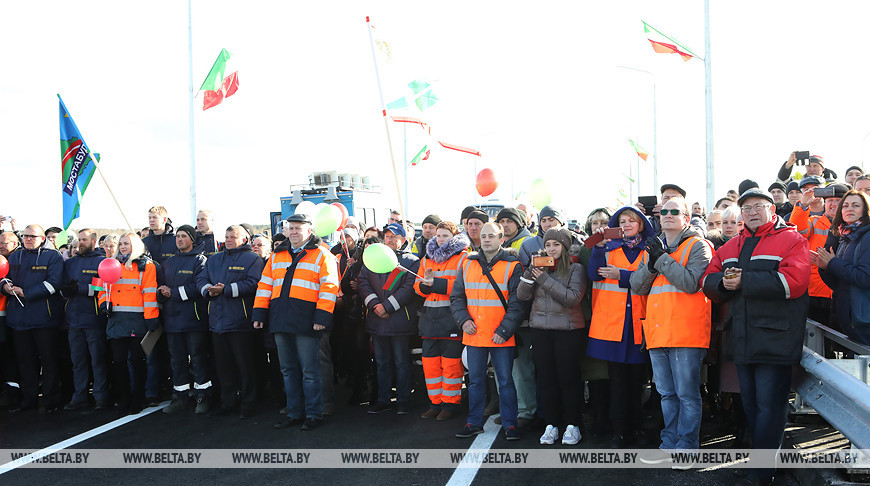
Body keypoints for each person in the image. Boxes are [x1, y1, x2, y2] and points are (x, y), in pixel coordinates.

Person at [702, 188, 810, 485]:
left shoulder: (792, 239)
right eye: (746, 208)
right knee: (751, 406)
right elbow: (707, 280)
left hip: (775, 340)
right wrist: (723, 283)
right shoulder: (729, 246)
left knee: (769, 408)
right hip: (742, 339)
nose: (751, 212)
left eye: (758, 206)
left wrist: (743, 281)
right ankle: (761, 466)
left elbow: (795, 283)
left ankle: (762, 473)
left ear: (771, 210)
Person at [631, 197, 713, 466]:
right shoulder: (654, 248)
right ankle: (669, 443)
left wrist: (661, 260)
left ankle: (687, 446)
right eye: (663, 211)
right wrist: (655, 262)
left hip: (686, 334)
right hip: (658, 333)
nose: (667, 215)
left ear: (686, 218)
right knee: (667, 394)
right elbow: (636, 286)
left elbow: (691, 283)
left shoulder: (698, 246)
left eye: (674, 211)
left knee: (687, 394)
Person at [254, 214, 338, 431]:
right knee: (288, 370)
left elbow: (329, 289)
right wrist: (259, 314)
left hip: (307, 322)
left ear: (309, 231)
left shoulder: (322, 255)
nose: (293, 232)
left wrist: (321, 318)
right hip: (281, 320)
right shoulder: (276, 256)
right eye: (290, 228)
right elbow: (265, 286)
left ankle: (313, 414)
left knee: (310, 372)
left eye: (298, 228)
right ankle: (294, 413)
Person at [587, 206, 654, 447]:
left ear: (641, 225)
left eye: (631, 221)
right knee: (616, 384)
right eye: (622, 221)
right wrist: (598, 245)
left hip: (640, 326)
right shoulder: (607, 248)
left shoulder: (650, 250)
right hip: (613, 327)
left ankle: (635, 428)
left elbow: (651, 279)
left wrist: (621, 275)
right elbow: (594, 274)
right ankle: (620, 432)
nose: (626, 224)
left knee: (637, 384)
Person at [451, 222, 525, 441]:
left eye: (491, 236)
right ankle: (473, 422)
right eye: (483, 236)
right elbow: (456, 297)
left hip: (501, 334)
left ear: (501, 239)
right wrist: (463, 320)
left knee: (505, 381)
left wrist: (504, 330)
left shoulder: (514, 265)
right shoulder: (467, 264)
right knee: (475, 381)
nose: (486, 240)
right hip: (474, 333)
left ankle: (510, 424)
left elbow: (518, 303)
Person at [517, 228, 587, 446]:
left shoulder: (576, 268)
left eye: (556, 245)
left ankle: (573, 424)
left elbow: (572, 298)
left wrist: (544, 279)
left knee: (568, 379)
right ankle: (551, 424)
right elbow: (522, 295)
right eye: (548, 245)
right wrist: (530, 273)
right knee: (546, 380)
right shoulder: (538, 267)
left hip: (568, 331)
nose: (551, 249)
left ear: (564, 247)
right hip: (540, 330)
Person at [198, 225, 264, 419]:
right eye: (226, 236)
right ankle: (228, 403)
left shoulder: (253, 259)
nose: (228, 239)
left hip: (240, 323)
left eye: (233, 237)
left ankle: (248, 404)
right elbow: (201, 279)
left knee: (245, 367)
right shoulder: (214, 259)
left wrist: (226, 289)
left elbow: (254, 283)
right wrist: (208, 289)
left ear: (244, 239)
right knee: (224, 367)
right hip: (217, 322)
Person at [358, 223, 420, 415]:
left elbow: (409, 288)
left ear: (404, 239)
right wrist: (375, 305)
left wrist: (386, 307)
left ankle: (403, 400)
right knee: (381, 362)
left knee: (402, 362)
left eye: (395, 236)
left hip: (400, 321)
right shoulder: (373, 257)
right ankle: (383, 399)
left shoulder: (411, 261)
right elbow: (363, 282)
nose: (390, 239)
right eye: (387, 236)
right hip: (377, 322)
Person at [2, 225, 64, 413]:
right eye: (26, 236)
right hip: (19, 321)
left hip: (44, 320)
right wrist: (5, 286)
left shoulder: (53, 257)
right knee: (25, 361)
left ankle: (50, 400)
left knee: (49, 361)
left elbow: (54, 284)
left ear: (42, 238)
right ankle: (28, 400)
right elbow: (4, 277)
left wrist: (26, 293)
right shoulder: (15, 256)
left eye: (32, 236)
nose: (28, 239)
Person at [98, 232, 159, 415]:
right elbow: (100, 287)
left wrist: (151, 317)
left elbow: (149, 293)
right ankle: (124, 397)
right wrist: (103, 304)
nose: (123, 246)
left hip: (138, 320)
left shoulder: (146, 266)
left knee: (137, 361)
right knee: (118, 361)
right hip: (116, 320)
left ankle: (137, 398)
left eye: (127, 243)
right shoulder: (110, 263)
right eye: (122, 244)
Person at [414, 221, 469, 421]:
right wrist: (425, 286)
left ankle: (450, 404)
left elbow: (463, 286)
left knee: (451, 365)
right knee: (430, 365)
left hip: (452, 319)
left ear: (453, 237)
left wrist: (434, 283)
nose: (440, 239)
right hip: (430, 320)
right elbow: (417, 287)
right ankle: (435, 403)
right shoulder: (426, 259)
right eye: (438, 235)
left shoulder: (463, 258)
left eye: (445, 235)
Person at [157, 225, 211, 414]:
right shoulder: (169, 263)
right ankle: (180, 396)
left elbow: (199, 287)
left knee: (198, 358)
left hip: (194, 319)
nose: (179, 239)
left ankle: (202, 396)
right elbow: (162, 286)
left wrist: (173, 293)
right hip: (173, 320)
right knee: (177, 360)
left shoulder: (200, 260)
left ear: (192, 239)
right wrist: (162, 294)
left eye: (183, 236)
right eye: (177, 236)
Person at [60, 228, 110, 411]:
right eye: (78, 239)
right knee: (78, 361)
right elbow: (63, 286)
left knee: (97, 360)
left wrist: (80, 288)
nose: (80, 242)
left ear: (94, 242)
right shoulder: (70, 263)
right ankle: (79, 395)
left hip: (94, 319)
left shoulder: (102, 262)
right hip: (73, 319)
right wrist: (65, 290)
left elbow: (103, 289)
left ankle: (100, 396)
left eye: (84, 240)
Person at [790, 181, 848, 328]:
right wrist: (803, 204)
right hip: (815, 294)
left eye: (838, 201)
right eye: (830, 201)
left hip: (844, 294)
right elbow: (796, 230)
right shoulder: (813, 222)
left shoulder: (855, 227)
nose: (833, 204)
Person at [817, 189, 870, 345]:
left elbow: (865, 278)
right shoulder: (845, 236)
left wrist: (833, 263)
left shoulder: (867, 237)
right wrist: (825, 268)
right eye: (845, 205)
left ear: (865, 210)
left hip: (864, 319)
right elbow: (839, 284)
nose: (849, 209)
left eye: (855, 205)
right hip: (850, 318)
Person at [0, 232, 21, 408]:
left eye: (4, 243)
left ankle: (12, 394)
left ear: (15, 243)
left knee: (10, 357)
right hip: (5, 317)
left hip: (13, 317)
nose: (1, 245)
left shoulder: (18, 260)